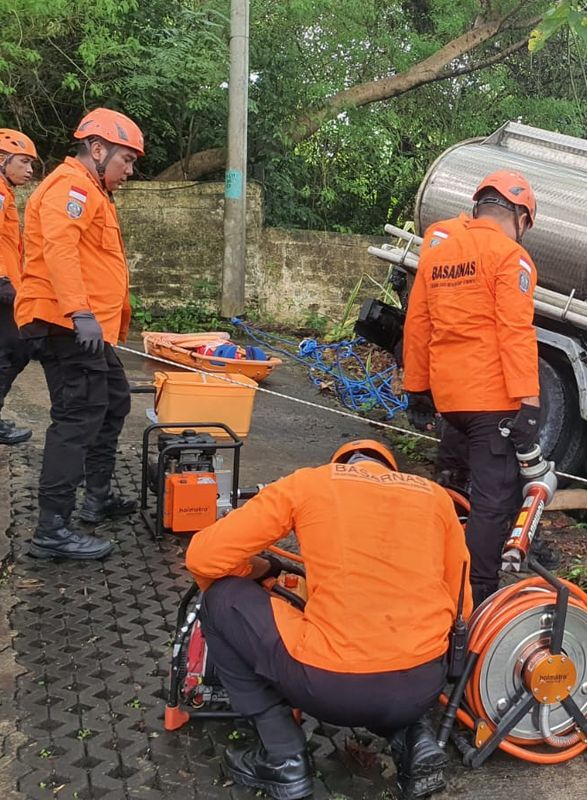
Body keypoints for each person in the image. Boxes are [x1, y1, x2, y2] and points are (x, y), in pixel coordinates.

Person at [186, 439, 470, 800]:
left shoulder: (310, 483)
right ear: (390, 469)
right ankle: (412, 735)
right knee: (399, 649)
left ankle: (283, 758)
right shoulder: (434, 497)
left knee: (221, 598)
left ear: (340, 464)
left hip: (329, 688)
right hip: (423, 686)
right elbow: (461, 602)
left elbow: (203, 557)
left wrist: (255, 569)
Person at [402, 170, 541, 609]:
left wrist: (416, 387)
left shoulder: (439, 249)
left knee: (450, 484)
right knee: (492, 503)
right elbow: (515, 332)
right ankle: (476, 595)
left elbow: (419, 321)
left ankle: (428, 569)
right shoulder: (510, 257)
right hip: (490, 401)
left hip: (450, 400)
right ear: (519, 215)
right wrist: (530, 404)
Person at [15, 108, 144, 560]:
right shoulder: (69, 188)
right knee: (76, 418)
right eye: (126, 160)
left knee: (113, 401)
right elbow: (60, 248)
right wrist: (79, 311)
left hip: (87, 328)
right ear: (97, 149)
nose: (129, 170)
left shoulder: (93, 192)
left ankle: (97, 497)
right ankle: (52, 530)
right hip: (65, 324)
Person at [0, 128, 37, 445]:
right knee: (15, 350)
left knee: (14, 351)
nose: (29, 170)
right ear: (2, 159)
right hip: (2, 288)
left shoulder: (5, 193)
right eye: (23, 162)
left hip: (10, 286)